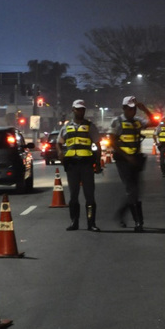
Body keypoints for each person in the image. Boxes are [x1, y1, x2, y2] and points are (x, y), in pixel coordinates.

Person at [110, 96, 157, 232]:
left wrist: (145, 109)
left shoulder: (138, 121)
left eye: (134, 109)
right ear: (124, 108)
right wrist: (126, 156)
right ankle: (138, 222)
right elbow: (113, 141)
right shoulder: (117, 122)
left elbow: (154, 122)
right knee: (132, 189)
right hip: (123, 160)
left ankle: (122, 214)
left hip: (136, 159)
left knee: (135, 190)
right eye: (130, 109)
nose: (133, 111)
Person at [57, 99, 103, 231]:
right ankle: (74, 222)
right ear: (73, 110)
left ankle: (91, 223)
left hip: (86, 164)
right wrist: (60, 153)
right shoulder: (66, 127)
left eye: (82, 109)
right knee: (73, 196)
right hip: (72, 166)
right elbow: (58, 142)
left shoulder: (90, 126)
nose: (80, 111)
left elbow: (98, 145)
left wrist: (98, 163)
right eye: (78, 109)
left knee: (89, 196)